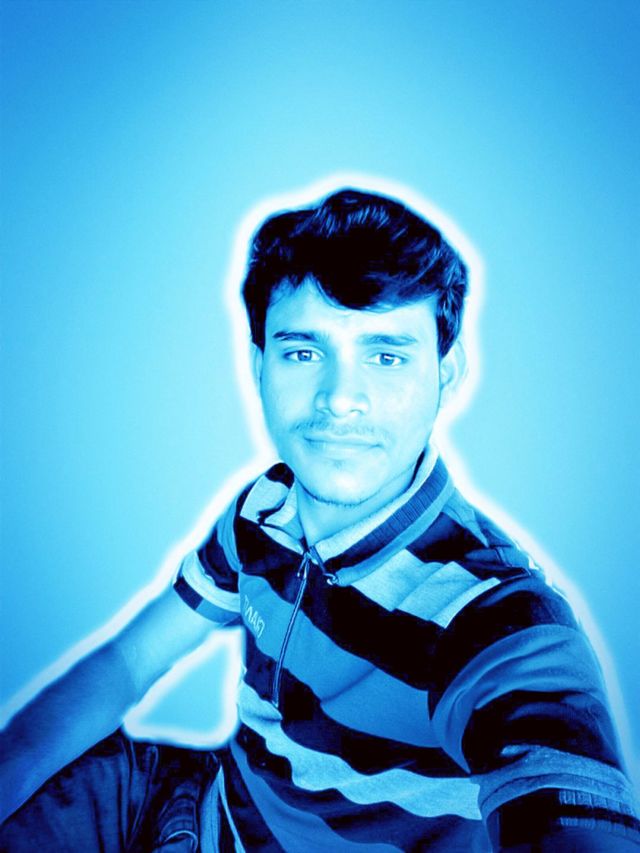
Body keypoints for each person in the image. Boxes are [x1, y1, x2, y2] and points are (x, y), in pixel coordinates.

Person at [1, 187, 639, 852]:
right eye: (304, 353)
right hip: (188, 804)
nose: (339, 398)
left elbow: (569, 813)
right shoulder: (263, 509)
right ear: (259, 367)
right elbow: (129, 662)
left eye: (386, 356)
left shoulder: (498, 617)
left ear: (447, 376)